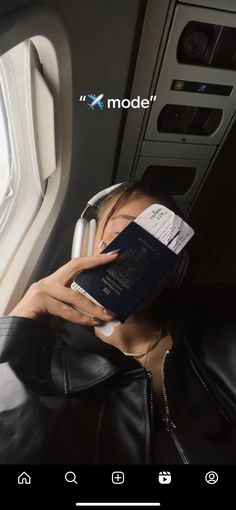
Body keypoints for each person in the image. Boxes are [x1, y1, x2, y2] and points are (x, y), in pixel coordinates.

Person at [0, 179, 235, 464]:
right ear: (84, 245)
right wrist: (19, 338)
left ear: (175, 270)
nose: (144, 256)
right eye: (125, 233)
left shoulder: (219, 332)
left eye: (161, 245)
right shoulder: (47, 363)